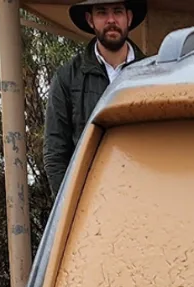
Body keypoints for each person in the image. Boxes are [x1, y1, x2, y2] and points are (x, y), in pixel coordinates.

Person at [44, 1, 147, 194]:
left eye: (117, 11)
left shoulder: (153, 73)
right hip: (91, 199)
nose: (111, 20)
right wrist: (71, 208)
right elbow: (55, 153)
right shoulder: (67, 77)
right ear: (90, 20)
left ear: (129, 18)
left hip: (142, 194)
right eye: (102, 13)